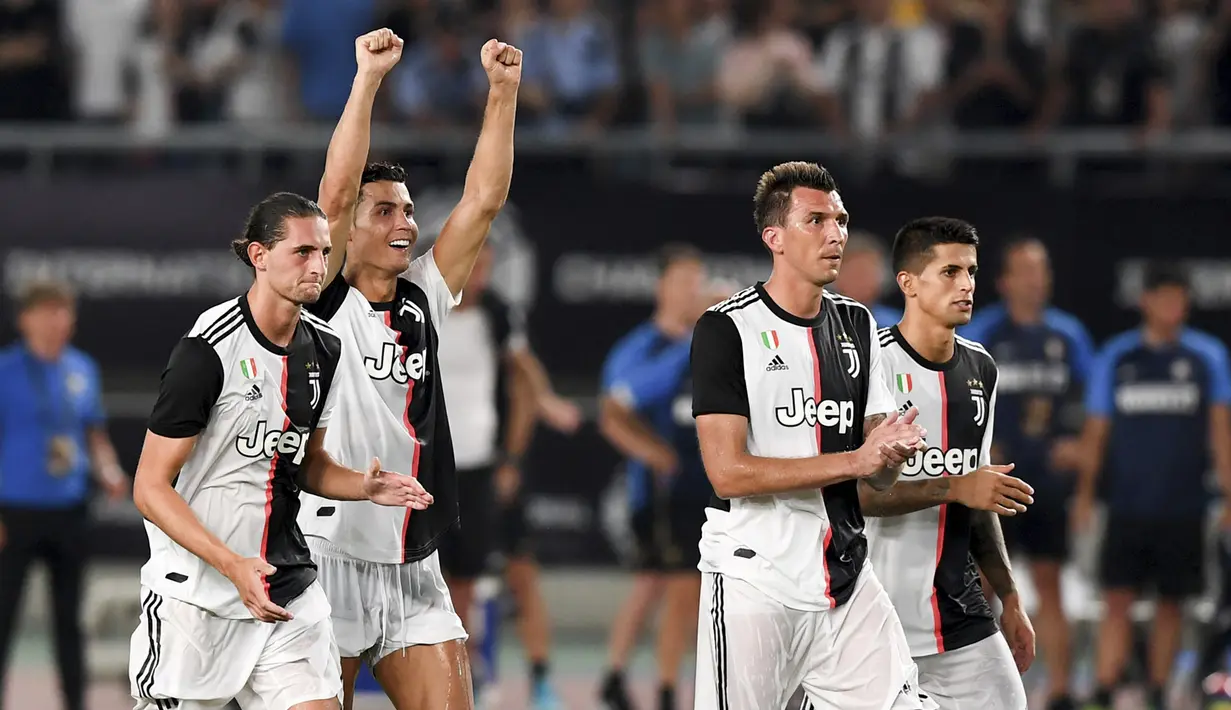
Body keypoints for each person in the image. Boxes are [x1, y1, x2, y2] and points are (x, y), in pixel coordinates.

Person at [127, 191, 433, 710]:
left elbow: (306, 464)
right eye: (302, 252)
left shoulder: (326, 349)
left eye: (324, 252)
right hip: (196, 597)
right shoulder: (207, 351)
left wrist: (363, 485)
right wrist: (231, 564)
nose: (318, 266)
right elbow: (150, 487)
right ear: (258, 256)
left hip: (286, 589)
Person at [295, 28, 522, 710]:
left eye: (410, 210)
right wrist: (367, 79)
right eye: (385, 210)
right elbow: (332, 195)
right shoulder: (321, 295)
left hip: (412, 560)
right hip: (324, 548)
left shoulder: (423, 295)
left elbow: (482, 200)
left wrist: (503, 94)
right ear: (349, 230)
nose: (406, 222)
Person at [689, 160, 934, 710]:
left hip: (845, 579)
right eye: (817, 220)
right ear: (774, 237)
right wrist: (857, 461)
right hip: (757, 579)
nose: (836, 234)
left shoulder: (858, 324)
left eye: (841, 220)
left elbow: (880, 472)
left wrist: (893, 453)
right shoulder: (726, 329)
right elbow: (727, 473)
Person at [859, 217, 1036, 708]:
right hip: (874, 620)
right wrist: (955, 487)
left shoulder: (982, 368)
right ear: (908, 284)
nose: (966, 285)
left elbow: (979, 494)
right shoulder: (871, 364)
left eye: (972, 272)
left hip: (961, 617)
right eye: (950, 272)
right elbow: (859, 494)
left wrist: (1011, 598)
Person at [1075, 262, 1231, 710]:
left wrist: (1227, 493)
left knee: (1171, 602)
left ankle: (1160, 692)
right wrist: (1085, 496)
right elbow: (1097, 430)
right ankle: (1104, 690)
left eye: (1180, 299)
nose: (1172, 308)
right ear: (1145, 301)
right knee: (1117, 598)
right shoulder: (1118, 356)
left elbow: (1220, 431)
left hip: (1183, 503)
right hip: (1126, 503)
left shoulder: (1207, 357)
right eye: (1164, 298)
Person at [436, 242, 581, 709]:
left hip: (486, 469)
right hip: (431, 470)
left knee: (503, 573)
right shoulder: (422, 308)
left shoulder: (498, 315)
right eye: (473, 262)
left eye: (487, 266)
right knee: (436, 581)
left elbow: (525, 371)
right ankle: (454, 668)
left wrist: (516, 451)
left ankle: (536, 679)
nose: (480, 274)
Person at [961, 236, 1096, 710]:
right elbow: (958, 398)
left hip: (1048, 486)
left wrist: (1079, 449)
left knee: (1051, 583)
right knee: (981, 585)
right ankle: (980, 687)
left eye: (1042, 269)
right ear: (1004, 280)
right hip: (992, 484)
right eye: (1025, 269)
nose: (1035, 279)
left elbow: (1093, 404)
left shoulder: (1069, 335)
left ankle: (1059, 691)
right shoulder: (983, 332)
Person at [595, 243, 715, 710]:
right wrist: (655, 454)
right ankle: (666, 689)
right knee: (678, 585)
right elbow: (614, 409)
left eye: (698, 282)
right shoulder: (644, 347)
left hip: (704, 485)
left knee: (657, 584)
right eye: (685, 282)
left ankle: (615, 673)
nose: (694, 292)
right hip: (663, 493)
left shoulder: (705, 340)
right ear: (662, 286)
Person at [0, 281, 128, 710]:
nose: (59, 322)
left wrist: (108, 470)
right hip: (13, 511)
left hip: (69, 509)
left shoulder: (82, 369)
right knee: (4, 617)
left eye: (64, 313)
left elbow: (93, 433)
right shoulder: (5, 370)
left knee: (69, 620)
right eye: (49, 313)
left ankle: (74, 703)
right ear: (26, 319)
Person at [831, 230, 902, 327]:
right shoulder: (819, 321)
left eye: (868, 273)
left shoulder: (896, 323)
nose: (861, 282)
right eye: (854, 273)